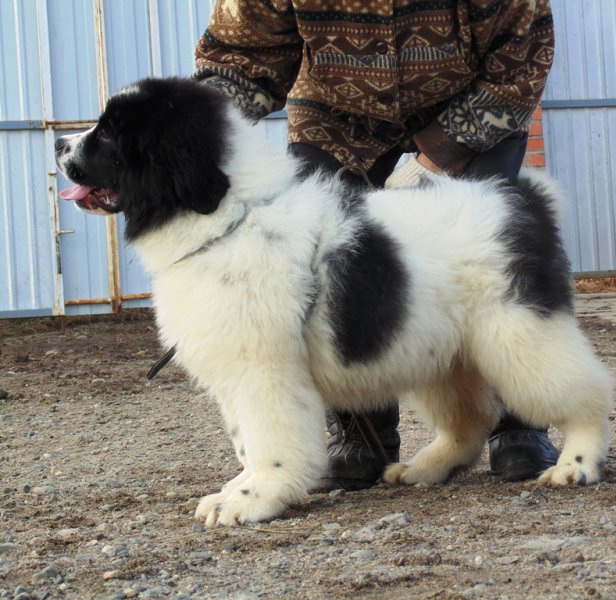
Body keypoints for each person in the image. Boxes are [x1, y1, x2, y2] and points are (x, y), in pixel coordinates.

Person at [194, 0, 559, 489]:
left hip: (473, 109)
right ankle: (360, 433)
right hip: (335, 118)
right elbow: (240, 57)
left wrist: (438, 156)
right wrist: (192, 133)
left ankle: (520, 424)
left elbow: (522, 55)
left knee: (492, 255)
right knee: (327, 274)